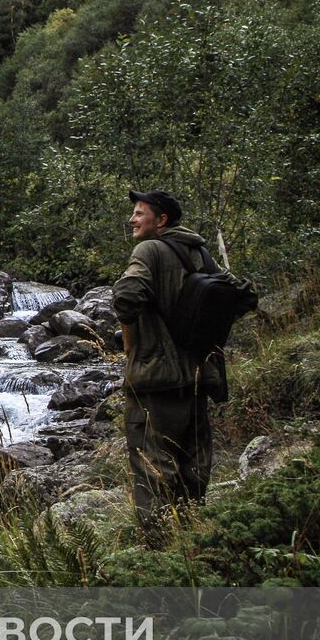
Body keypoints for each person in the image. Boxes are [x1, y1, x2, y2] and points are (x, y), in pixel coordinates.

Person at [111, 189, 225, 543]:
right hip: (196, 379)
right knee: (194, 467)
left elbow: (127, 296)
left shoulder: (149, 249)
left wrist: (131, 331)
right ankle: (192, 541)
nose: (132, 219)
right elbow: (235, 296)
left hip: (156, 383)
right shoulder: (200, 252)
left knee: (153, 468)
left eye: (139, 213)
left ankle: (158, 552)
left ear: (161, 221)